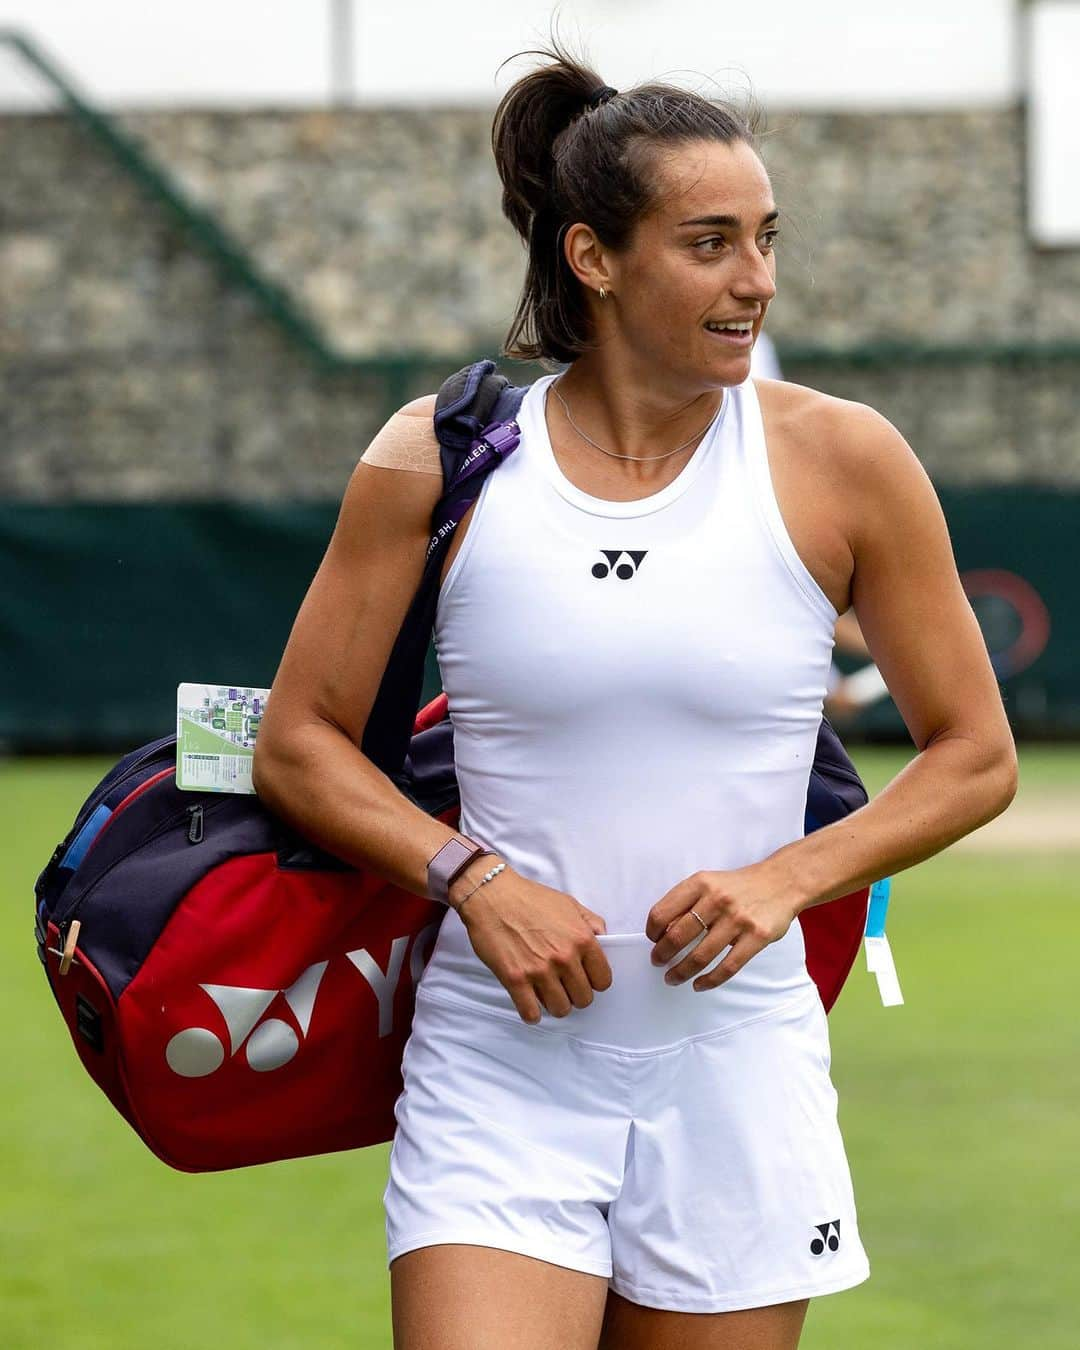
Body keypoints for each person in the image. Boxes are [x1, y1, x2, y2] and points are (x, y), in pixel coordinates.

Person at [252, 44, 1017, 1350]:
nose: (758, 281)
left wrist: (785, 879)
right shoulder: (437, 455)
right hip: (501, 1062)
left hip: (738, 1066)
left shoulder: (846, 462)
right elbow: (299, 745)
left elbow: (976, 756)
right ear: (594, 258)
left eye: (768, 239)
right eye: (711, 243)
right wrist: (469, 877)